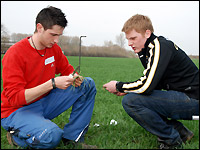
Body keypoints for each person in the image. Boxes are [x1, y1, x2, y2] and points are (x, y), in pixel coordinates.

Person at [1, 6, 97, 149]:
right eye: (53, 35)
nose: (57, 40)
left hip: (43, 103)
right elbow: (15, 98)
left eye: (59, 35)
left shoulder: (53, 48)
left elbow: (66, 70)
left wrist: (74, 77)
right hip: (16, 111)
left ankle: (72, 138)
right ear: (39, 28)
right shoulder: (15, 54)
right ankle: (17, 137)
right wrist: (52, 83)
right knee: (51, 136)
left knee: (87, 84)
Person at [103, 14, 199, 149]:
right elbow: (156, 84)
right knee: (137, 98)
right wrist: (128, 90)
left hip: (193, 99)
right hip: (185, 97)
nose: (130, 43)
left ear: (147, 33)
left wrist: (119, 86)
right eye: (128, 39)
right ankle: (179, 131)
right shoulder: (147, 50)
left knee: (131, 101)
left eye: (133, 38)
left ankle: (171, 141)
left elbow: (147, 85)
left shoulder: (159, 46)